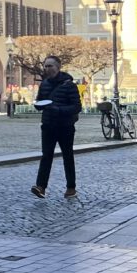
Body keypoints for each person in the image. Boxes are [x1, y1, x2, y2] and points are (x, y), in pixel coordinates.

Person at [31, 55, 82, 199]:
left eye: (50, 66)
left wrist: (58, 110)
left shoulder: (69, 85)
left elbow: (77, 107)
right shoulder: (45, 84)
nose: (47, 69)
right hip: (48, 125)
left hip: (65, 126)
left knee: (68, 156)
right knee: (46, 156)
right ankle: (40, 187)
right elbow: (40, 100)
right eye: (46, 66)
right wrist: (38, 105)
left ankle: (71, 187)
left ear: (58, 67)